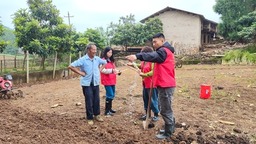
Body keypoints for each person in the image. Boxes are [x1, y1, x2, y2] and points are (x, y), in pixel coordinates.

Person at [126, 33, 176, 139]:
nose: (153, 44)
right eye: (152, 42)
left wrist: (136, 56)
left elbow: (152, 56)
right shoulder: (165, 51)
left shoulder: (163, 51)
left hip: (165, 85)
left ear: (162, 41)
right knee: (166, 107)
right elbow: (152, 57)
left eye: (155, 41)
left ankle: (168, 132)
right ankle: (170, 128)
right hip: (164, 84)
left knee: (165, 109)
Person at [68, 43, 107, 125]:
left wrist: (99, 70)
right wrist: (80, 72)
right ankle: (89, 117)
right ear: (89, 50)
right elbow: (71, 66)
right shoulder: (83, 59)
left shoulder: (97, 59)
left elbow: (105, 62)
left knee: (96, 100)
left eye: (96, 50)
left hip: (95, 82)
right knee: (89, 100)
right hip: (86, 84)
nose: (95, 51)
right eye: (93, 50)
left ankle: (97, 115)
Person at [127, 46, 159, 122]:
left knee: (153, 100)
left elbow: (154, 72)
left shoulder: (153, 62)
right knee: (146, 99)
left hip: (152, 84)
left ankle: (156, 114)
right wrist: (132, 64)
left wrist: (144, 75)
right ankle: (147, 114)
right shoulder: (144, 61)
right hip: (145, 84)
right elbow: (140, 66)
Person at [100, 47, 121, 116]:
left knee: (112, 95)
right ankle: (107, 111)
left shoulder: (111, 61)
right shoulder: (102, 60)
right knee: (110, 95)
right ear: (105, 52)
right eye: (109, 52)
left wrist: (118, 72)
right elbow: (102, 70)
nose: (110, 54)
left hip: (112, 80)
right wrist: (112, 71)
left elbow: (114, 69)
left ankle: (110, 109)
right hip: (106, 80)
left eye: (111, 52)